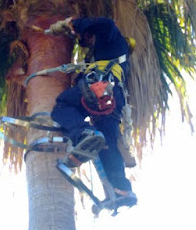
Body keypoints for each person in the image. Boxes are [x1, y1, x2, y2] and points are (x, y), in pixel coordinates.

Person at [50, 16, 137, 207]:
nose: (87, 42)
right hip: (113, 98)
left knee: (63, 107)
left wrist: (74, 23)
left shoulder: (112, 40)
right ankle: (121, 189)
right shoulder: (111, 59)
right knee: (107, 144)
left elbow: (106, 23)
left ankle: (82, 135)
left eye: (88, 38)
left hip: (100, 89)